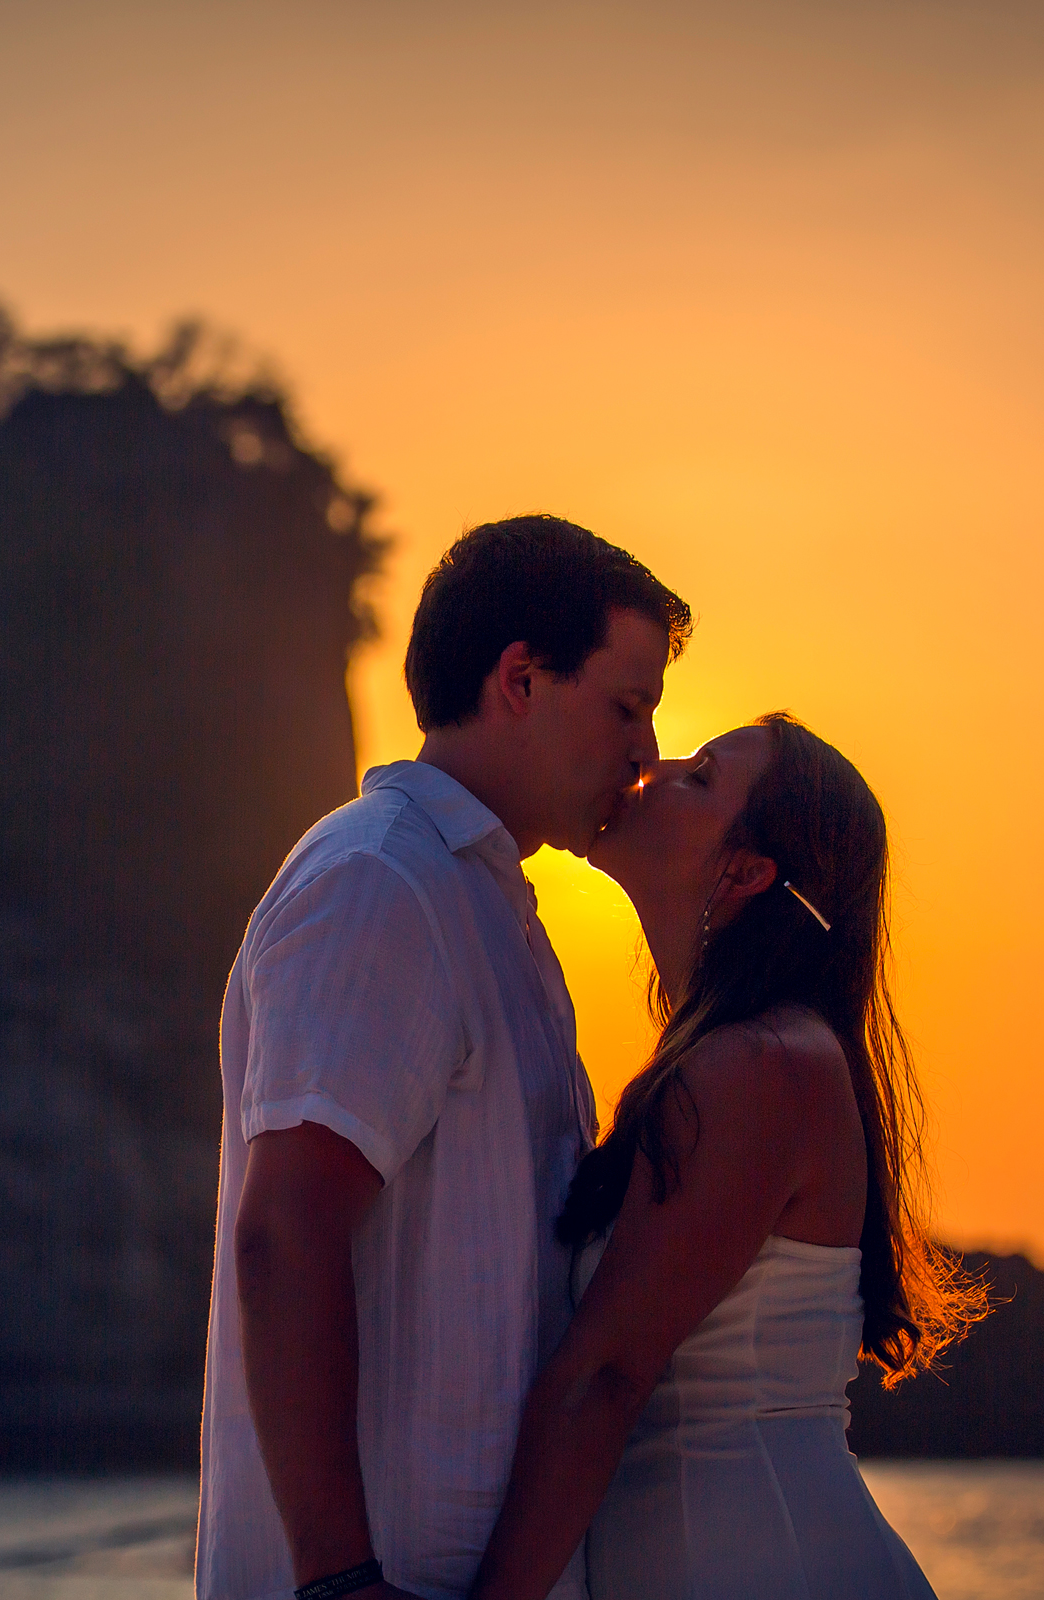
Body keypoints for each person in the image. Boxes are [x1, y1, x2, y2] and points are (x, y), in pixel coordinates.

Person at [195, 516, 693, 1600]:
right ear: (520, 678)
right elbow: (285, 1231)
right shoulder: (382, 883)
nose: (646, 754)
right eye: (625, 707)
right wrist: (340, 1579)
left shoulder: (489, 906)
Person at [468, 713, 980, 1600]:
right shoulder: (739, 1058)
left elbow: (607, 1375)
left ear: (745, 871)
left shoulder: (762, 1065)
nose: (652, 770)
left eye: (699, 776)